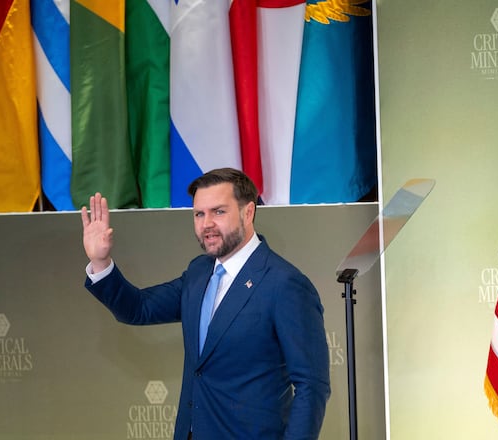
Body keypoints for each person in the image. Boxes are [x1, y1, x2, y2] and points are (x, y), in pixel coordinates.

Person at [81, 168, 330, 440]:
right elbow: (139, 308)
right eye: (199, 214)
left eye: (218, 212)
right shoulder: (199, 272)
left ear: (248, 212)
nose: (206, 223)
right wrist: (101, 262)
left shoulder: (285, 284)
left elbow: (311, 386)